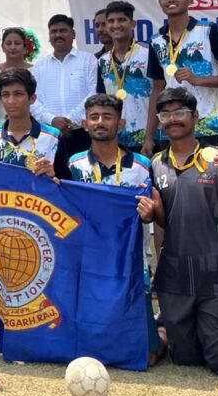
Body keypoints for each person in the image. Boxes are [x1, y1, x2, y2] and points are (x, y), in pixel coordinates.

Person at [145, 87, 218, 377]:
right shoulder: (155, 164)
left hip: (216, 278)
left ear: (196, 116)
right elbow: (164, 223)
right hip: (174, 278)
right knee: (186, 360)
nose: (172, 119)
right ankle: (165, 327)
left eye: (180, 112)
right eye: (165, 114)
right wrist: (154, 211)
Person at [68, 93, 164, 367]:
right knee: (88, 344)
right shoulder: (74, 163)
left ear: (120, 123)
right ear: (85, 124)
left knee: (147, 357)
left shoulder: (143, 166)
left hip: (131, 259)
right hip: (89, 257)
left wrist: (150, 213)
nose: (100, 122)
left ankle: (163, 334)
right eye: (94, 117)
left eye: (107, 117)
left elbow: (156, 212)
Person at [145, 0, 218, 156]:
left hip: (207, 128)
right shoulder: (156, 40)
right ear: (160, 3)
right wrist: (149, 137)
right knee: (170, 175)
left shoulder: (208, 31)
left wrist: (198, 79)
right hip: (170, 128)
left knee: (213, 175)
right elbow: (157, 89)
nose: (171, 0)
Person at [30, 14, 97, 152]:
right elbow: (32, 100)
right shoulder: (39, 66)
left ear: (73, 34)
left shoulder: (88, 60)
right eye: (54, 31)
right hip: (48, 133)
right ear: (49, 37)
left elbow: (94, 94)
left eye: (63, 30)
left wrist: (69, 120)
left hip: (82, 133)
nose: (58, 35)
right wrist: (52, 120)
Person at [96, 1, 152, 154]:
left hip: (148, 138)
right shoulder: (102, 61)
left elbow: (159, 93)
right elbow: (102, 100)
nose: (116, 25)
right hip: (116, 140)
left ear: (133, 24)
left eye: (121, 20)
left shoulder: (149, 53)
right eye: (111, 21)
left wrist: (150, 138)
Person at [0, 68, 59, 178]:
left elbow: (66, 182)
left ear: (32, 98)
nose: (11, 101)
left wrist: (53, 176)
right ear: (0, 100)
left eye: (18, 94)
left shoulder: (54, 137)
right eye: (5, 95)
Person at [0, 27, 33, 132]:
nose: (13, 47)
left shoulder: (36, 71)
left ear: (25, 47)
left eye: (17, 43)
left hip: (28, 126)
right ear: (3, 47)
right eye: (8, 43)